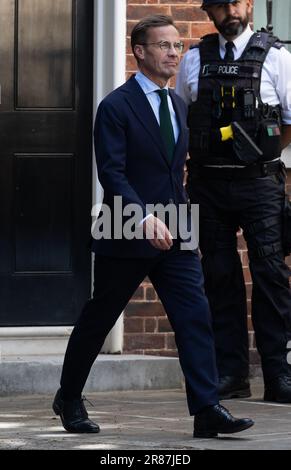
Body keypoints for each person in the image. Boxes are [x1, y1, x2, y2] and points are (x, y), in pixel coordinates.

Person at [52, 15, 254, 438]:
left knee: (196, 315)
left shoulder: (178, 103)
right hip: (124, 223)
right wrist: (142, 218)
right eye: (164, 46)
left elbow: (174, 170)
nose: (174, 54)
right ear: (139, 51)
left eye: (178, 47)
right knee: (100, 317)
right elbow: (112, 172)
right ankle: (68, 396)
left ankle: (206, 408)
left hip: (177, 226)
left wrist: (186, 228)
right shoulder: (115, 106)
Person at [176, 0, 291, 402]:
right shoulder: (194, 60)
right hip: (207, 184)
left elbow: (289, 122)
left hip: (259, 185)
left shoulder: (277, 57)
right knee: (219, 276)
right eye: (221, 5)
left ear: (249, 5)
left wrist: (260, 154)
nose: (231, 12)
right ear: (209, 11)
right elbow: (183, 119)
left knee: (271, 275)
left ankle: (279, 374)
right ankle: (231, 374)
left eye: (237, 2)